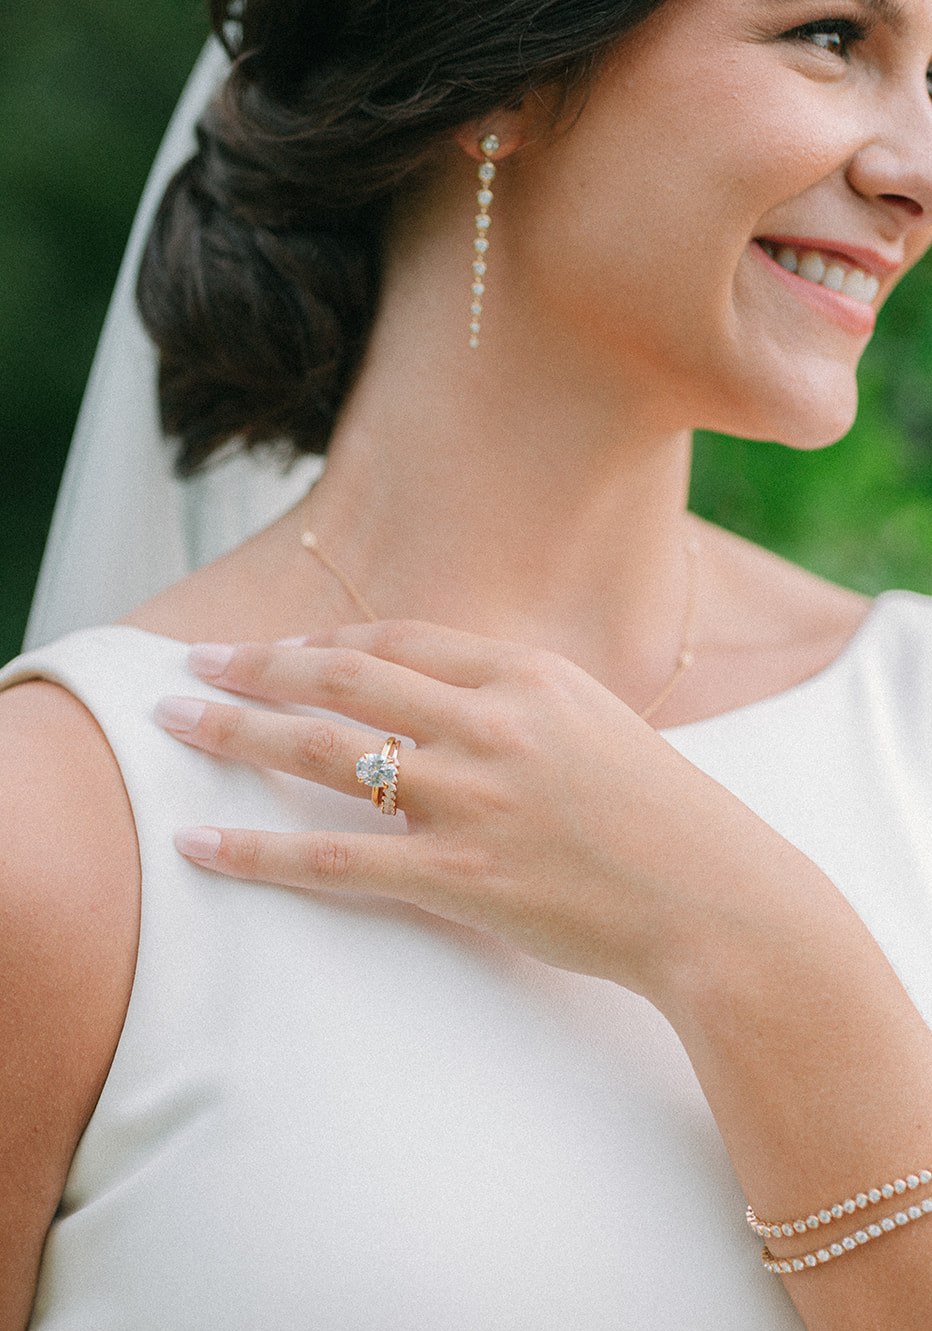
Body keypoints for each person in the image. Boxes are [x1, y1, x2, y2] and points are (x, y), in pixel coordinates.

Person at [2, 0, 932, 1325]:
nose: (919, 170)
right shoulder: (59, 837)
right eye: (832, 36)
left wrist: (740, 936)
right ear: (496, 75)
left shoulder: (919, 722)